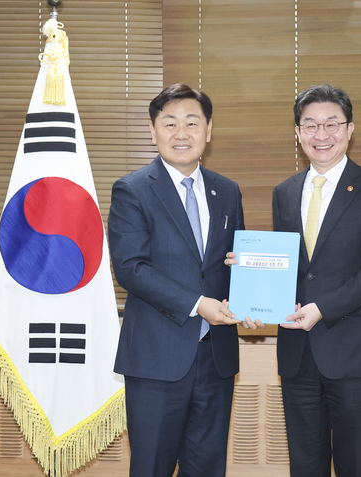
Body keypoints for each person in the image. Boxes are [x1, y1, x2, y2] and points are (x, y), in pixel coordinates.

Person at [108, 83, 248, 477]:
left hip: (216, 358)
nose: (181, 133)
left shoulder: (227, 191)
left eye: (192, 123)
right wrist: (198, 304)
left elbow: (232, 263)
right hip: (157, 359)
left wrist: (250, 294)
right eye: (170, 124)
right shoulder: (133, 190)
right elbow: (131, 268)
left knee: (207, 469)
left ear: (209, 130)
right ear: (153, 131)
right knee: (151, 467)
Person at [273, 83, 361, 476]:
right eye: (310, 125)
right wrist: (248, 269)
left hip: (353, 353)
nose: (321, 134)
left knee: (354, 464)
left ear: (349, 129)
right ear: (298, 132)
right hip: (297, 354)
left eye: (332, 124)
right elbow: (289, 265)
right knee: (304, 465)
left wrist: (322, 308)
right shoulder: (284, 192)